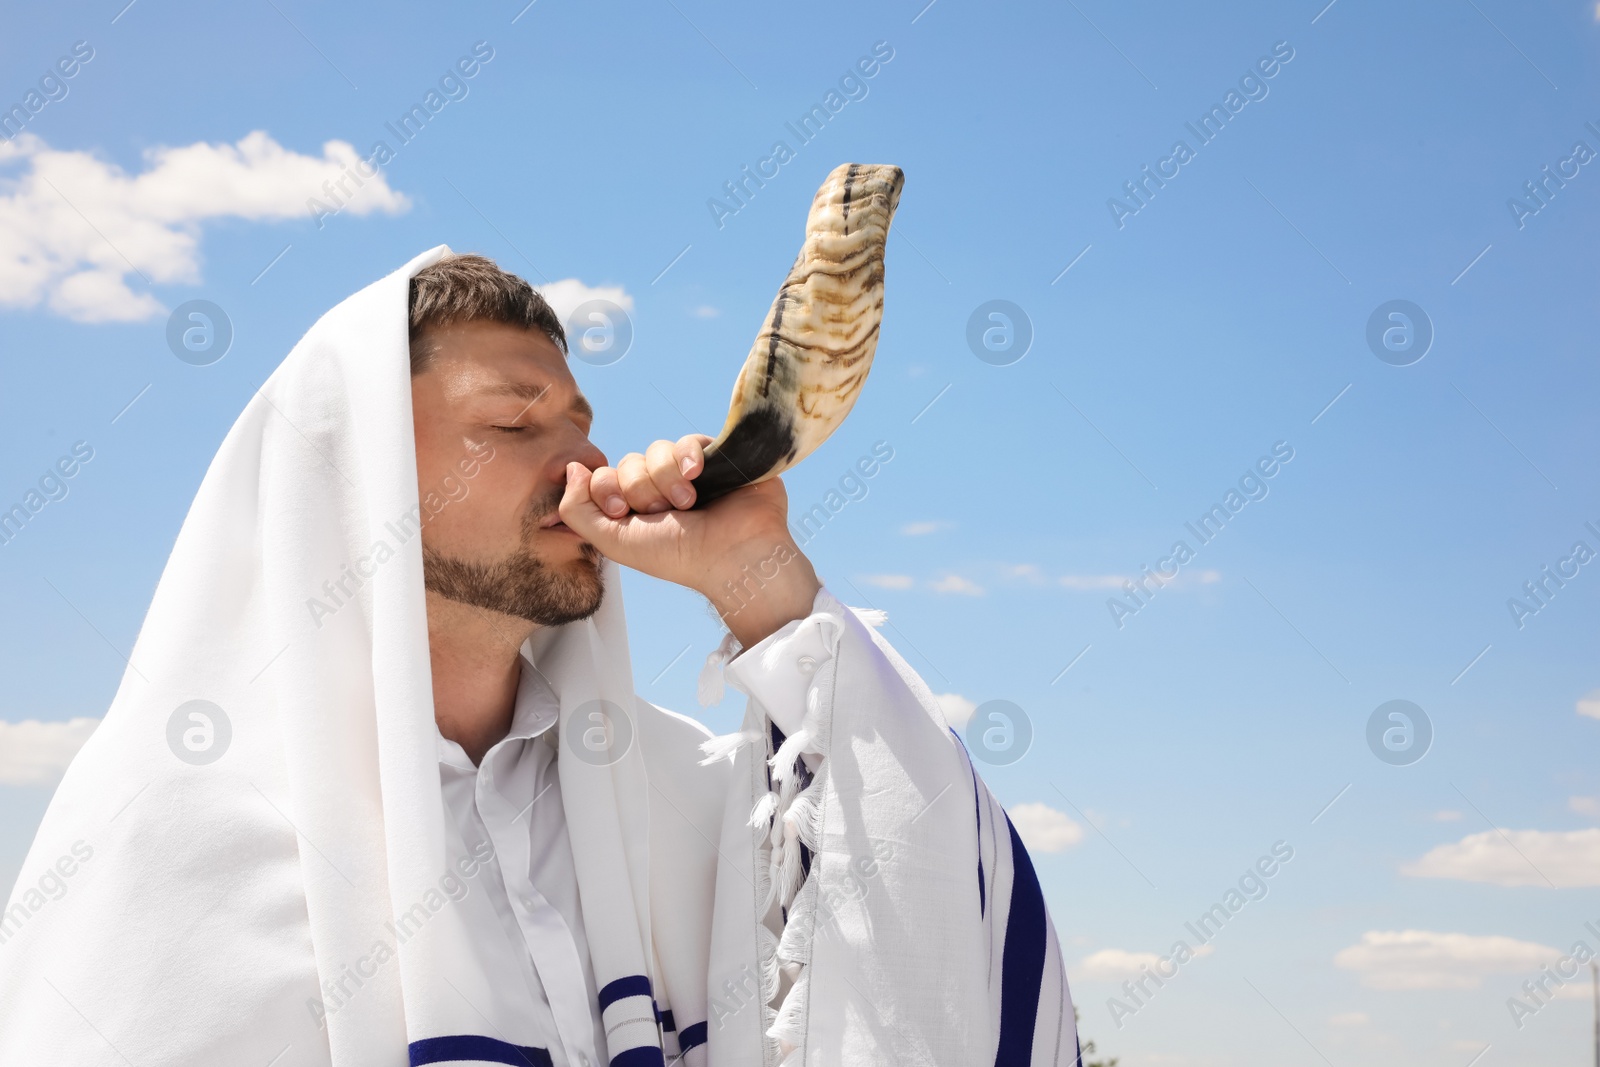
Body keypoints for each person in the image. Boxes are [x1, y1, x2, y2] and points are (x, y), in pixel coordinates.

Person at [0, 249, 1077, 1066]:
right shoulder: (177, 834)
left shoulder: (682, 803)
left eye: (580, 418)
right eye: (513, 423)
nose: (583, 462)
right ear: (355, 472)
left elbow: (936, 920)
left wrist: (759, 579)